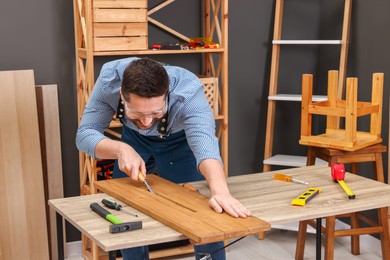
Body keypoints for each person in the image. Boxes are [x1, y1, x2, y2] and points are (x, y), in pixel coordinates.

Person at [76, 57, 250, 260]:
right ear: (122, 95)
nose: (147, 122)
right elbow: (85, 134)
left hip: (180, 142)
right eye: (138, 114)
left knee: (206, 210)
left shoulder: (189, 91)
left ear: (167, 95)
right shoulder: (109, 81)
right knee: (126, 208)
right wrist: (120, 149)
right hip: (132, 142)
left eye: (156, 112)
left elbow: (205, 146)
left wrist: (221, 192)